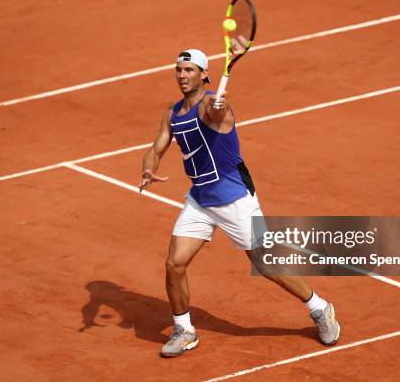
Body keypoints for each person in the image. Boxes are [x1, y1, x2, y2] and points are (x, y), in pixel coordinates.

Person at [138, 48, 340, 358]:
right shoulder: (172, 112)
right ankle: (184, 329)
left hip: (234, 197)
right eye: (178, 69)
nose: (182, 75)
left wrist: (219, 108)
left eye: (189, 70)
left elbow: (219, 114)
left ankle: (319, 308)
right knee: (174, 263)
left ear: (205, 75)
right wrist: (149, 168)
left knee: (264, 262)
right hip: (200, 199)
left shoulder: (213, 107)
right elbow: (157, 146)